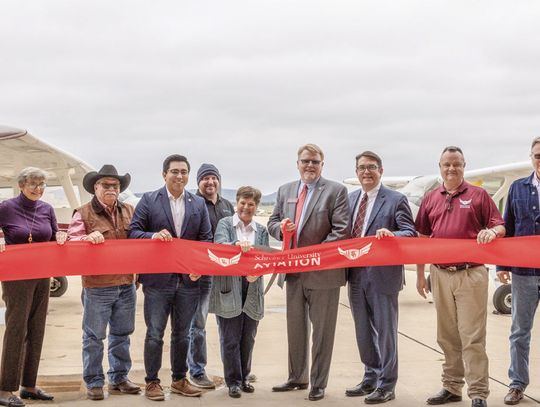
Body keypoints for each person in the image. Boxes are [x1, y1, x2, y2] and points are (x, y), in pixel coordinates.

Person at [415, 146, 505, 407]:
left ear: (464, 166)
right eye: (447, 164)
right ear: (440, 166)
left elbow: (499, 224)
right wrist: (421, 275)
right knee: (446, 336)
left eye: (457, 164)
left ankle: (478, 392)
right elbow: (422, 237)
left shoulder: (478, 196)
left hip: (471, 274)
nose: (451, 168)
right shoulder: (431, 198)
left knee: (472, 337)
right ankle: (452, 387)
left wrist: (494, 232)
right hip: (440, 274)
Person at [267, 143, 350, 401]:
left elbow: (341, 231)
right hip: (292, 274)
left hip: (322, 274)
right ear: (298, 164)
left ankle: (318, 383)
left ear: (322, 165)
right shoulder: (285, 190)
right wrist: (281, 229)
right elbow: (271, 223)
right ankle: (297, 378)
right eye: (305, 161)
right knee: (296, 328)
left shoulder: (336, 191)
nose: (310, 165)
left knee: (322, 332)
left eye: (315, 161)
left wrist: (313, 257)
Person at [128, 154, 212, 402]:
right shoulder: (149, 200)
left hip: (189, 282)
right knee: (155, 333)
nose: (179, 176)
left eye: (184, 171)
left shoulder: (197, 204)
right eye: (174, 171)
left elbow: (205, 240)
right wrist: (152, 236)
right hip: (157, 282)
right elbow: (133, 232)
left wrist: (200, 268)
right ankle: (152, 382)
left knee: (182, 334)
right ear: (164, 174)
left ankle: (178, 379)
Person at [345, 151, 416, 404]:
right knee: (363, 330)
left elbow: (410, 231)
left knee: (386, 332)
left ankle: (387, 384)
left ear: (381, 170)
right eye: (362, 168)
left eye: (372, 167)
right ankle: (370, 377)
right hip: (355, 275)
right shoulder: (350, 199)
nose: (367, 172)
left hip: (383, 275)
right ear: (356, 172)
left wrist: (394, 235)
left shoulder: (396, 199)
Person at [67, 165, 140, 400]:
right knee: (93, 337)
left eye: (115, 185)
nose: (111, 188)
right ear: (95, 187)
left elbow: (139, 241)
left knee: (122, 333)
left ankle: (119, 378)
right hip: (97, 287)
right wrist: (85, 238)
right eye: (106, 185)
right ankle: (94, 381)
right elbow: (72, 241)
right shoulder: (82, 212)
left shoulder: (130, 210)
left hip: (127, 285)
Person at [0, 167, 67, 407]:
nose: (38, 189)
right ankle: (5, 388)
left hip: (42, 275)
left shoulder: (47, 208)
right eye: (33, 184)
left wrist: (60, 236)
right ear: (21, 185)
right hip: (16, 278)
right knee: (17, 330)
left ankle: (28, 385)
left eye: (42, 184)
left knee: (37, 330)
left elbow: (53, 235)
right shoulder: (6, 207)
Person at [209, 186, 269, 398]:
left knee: (248, 337)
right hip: (230, 285)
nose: (246, 207)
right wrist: (235, 245)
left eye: (251, 204)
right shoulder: (225, 224)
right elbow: (219, 245)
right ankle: (232, 380)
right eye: (243, 203)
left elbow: (265, 258)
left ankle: (244, 377)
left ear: (256, 206)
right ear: (237, 203)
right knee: (230, 337)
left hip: (252, 286)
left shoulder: (261, 231)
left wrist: (258, 273)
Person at [496, 136, 540, 405]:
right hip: (524, 272)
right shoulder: (517, 188)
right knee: (519, 331)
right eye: (537, 155)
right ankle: (516, 384)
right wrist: (502, 264)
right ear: (531, 157)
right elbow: (508, 227)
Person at [187, 163, 234, 389]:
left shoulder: (227, 205)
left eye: (213, 178)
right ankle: (196, 370)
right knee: (197, 325)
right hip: (202, 274)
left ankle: (234, 369)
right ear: (198, 182)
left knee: (228, 322)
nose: (210, 182)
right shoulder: (193, 204)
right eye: (205, 178)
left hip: (225, 273)